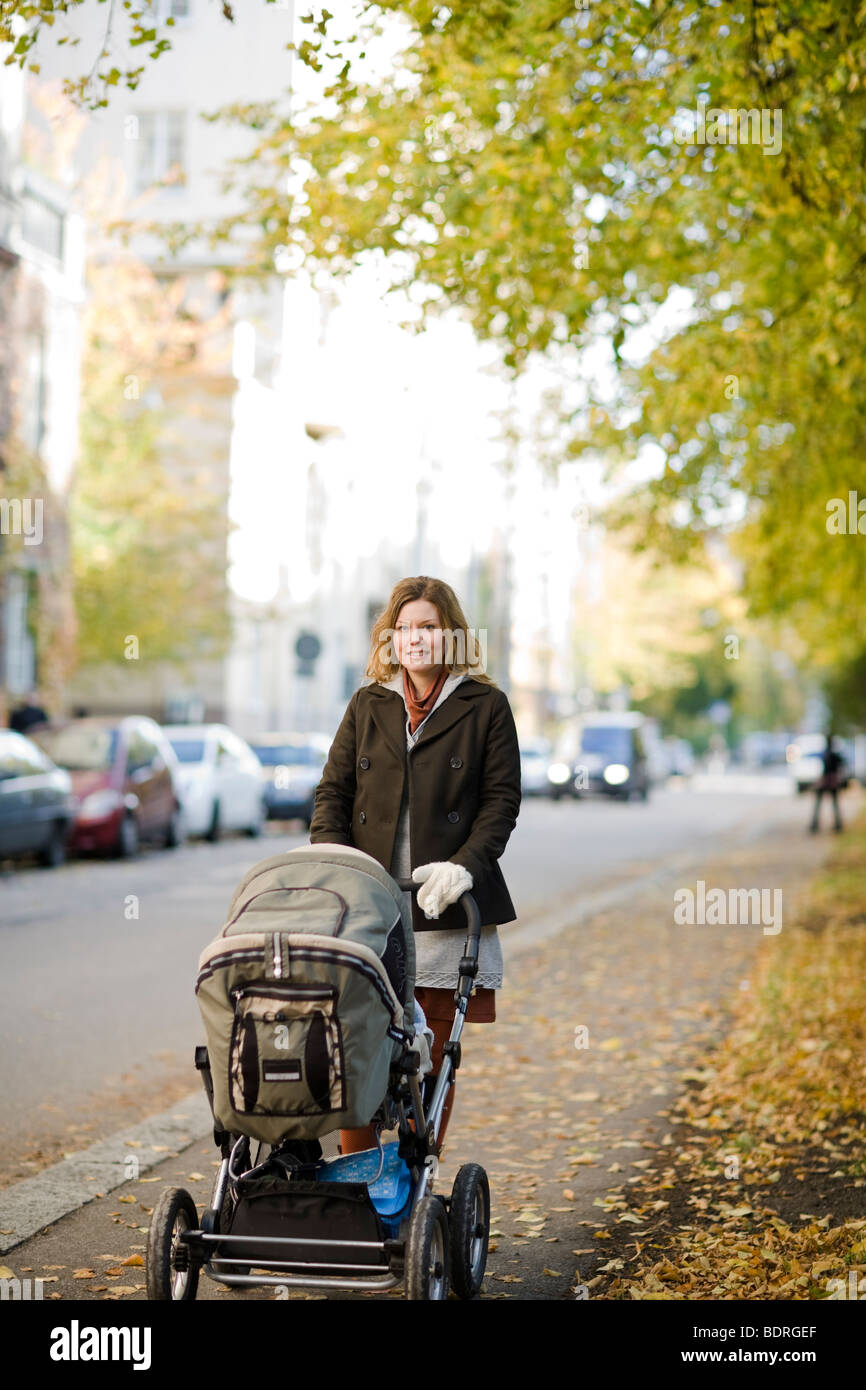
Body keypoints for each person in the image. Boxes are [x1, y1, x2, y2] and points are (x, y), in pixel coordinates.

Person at [309, 575, 522, 1157]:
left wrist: (464, 867)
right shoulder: (368, 703)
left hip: (442, 904)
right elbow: (332, 792)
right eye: (403, 629)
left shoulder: (486, 706)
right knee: (355, 1042)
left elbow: (501, 802)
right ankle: (357, 1173)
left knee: (427, 1052)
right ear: (390, 638)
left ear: (451, 634)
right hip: (366, 907)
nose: (415, 640)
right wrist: (333, 866)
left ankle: (411, 1175)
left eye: (427, 627)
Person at [810, 733, 844, 834]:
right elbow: (841, 764)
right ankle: (837, 824)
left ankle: (815, 825)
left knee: (821, 803)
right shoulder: (834, 755)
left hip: (826, 781)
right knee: (834, 804)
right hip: (832, 781)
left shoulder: (826, 754)